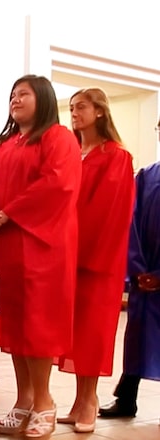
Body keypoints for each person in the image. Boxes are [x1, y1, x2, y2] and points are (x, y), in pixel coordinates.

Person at [0, 75, 81, 440]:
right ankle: (23, 399)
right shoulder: (5, 144)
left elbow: (58, 183)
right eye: (12, 94)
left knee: (38, 323)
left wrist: (9, 212)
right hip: (7, 245)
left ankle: (44, 400)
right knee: (16, 323)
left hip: (42, 244)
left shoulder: (57, 138)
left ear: (43, 99)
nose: (15, 99)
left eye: (23, 94)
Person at [56, 88, 134, 432]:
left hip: (96, 258)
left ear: (100, 111)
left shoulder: (117, 156)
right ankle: (77, 400)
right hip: (66, 253)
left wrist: (83, 251)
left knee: (93, 329)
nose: (74, 113)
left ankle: (90, 400)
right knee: (71, 329)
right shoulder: (73, 152)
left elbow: (109, 212)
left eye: (81, 107)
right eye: (71, 108)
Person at [99, 116, 160, 419]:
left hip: (157, 275)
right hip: (144, 274)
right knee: (137, 337)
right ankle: (127, 398)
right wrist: (137, 270)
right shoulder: (147, 176)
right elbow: (130, 223)